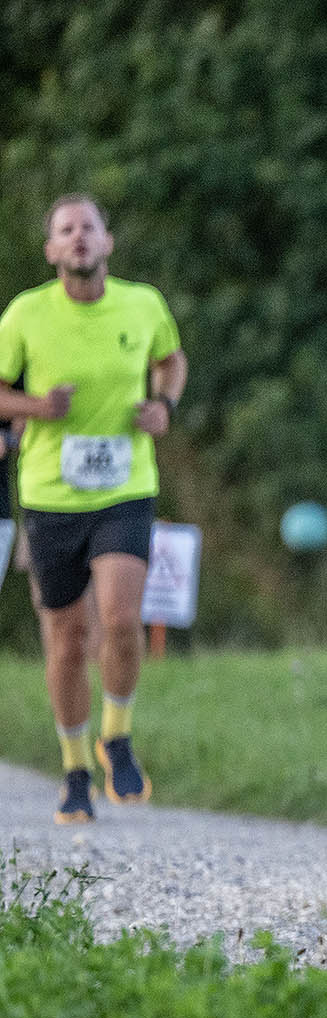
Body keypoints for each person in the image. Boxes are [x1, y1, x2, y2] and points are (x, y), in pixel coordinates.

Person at [0, 195, 186, 823]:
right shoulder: (25, 314)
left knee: (121, 617)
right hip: (50, 496)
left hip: (125, 488)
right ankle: (75, 767)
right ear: (51, 250)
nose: (78, 237)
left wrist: (164, 406)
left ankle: (118, 733)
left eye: (89, 227)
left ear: (108, 241)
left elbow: (171, 361)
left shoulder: (143, 304)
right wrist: (36, 407)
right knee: (66, 639)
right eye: (65, 229)